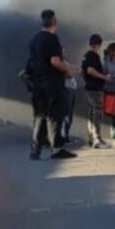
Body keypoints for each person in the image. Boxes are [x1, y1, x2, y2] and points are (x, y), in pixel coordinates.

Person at [28, 9, 78, 160]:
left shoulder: (34, 39)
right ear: (55, 22)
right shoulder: (51, 38)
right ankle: (56, 149)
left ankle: (35, 150)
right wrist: (68, 70)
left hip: (38, 83)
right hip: (52, 83)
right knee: (54, 116)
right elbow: (55, 61)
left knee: (40, 116)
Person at [82, 34, 112, 149]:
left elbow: (84, 71)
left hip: (90, 87)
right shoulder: (92, 56)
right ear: (99, 44)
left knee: (92, 112)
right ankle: (96, 138)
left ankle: (91, 137)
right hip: (94, 88)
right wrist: (104, 77)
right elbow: (90, 70)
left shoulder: (87, 56)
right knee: (97, 112)